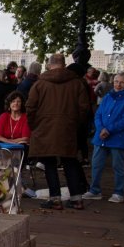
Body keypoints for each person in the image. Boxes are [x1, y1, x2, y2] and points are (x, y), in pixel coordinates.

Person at [26, 53, 90, 210]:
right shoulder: (76, 83)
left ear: (49, 65)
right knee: (70, 161)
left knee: (49, 163)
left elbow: (30, 107)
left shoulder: (40, 84)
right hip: (68, 127)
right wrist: (75, 124)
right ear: (64, 64)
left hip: (45, 127)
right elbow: (84, 108)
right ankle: (77, 199)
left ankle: (55, 199)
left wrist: (36, 125)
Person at [83, 73, 124, 203]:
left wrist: (109, 129)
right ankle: (95, 190)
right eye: (116, 81)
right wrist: (101, 129)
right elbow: (98, 115)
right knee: (96, 165)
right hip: (101, 137)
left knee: (118, 166)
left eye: (122, 82)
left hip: (117, 137)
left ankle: (118, 192)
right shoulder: (107, 97)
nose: (118, 84)